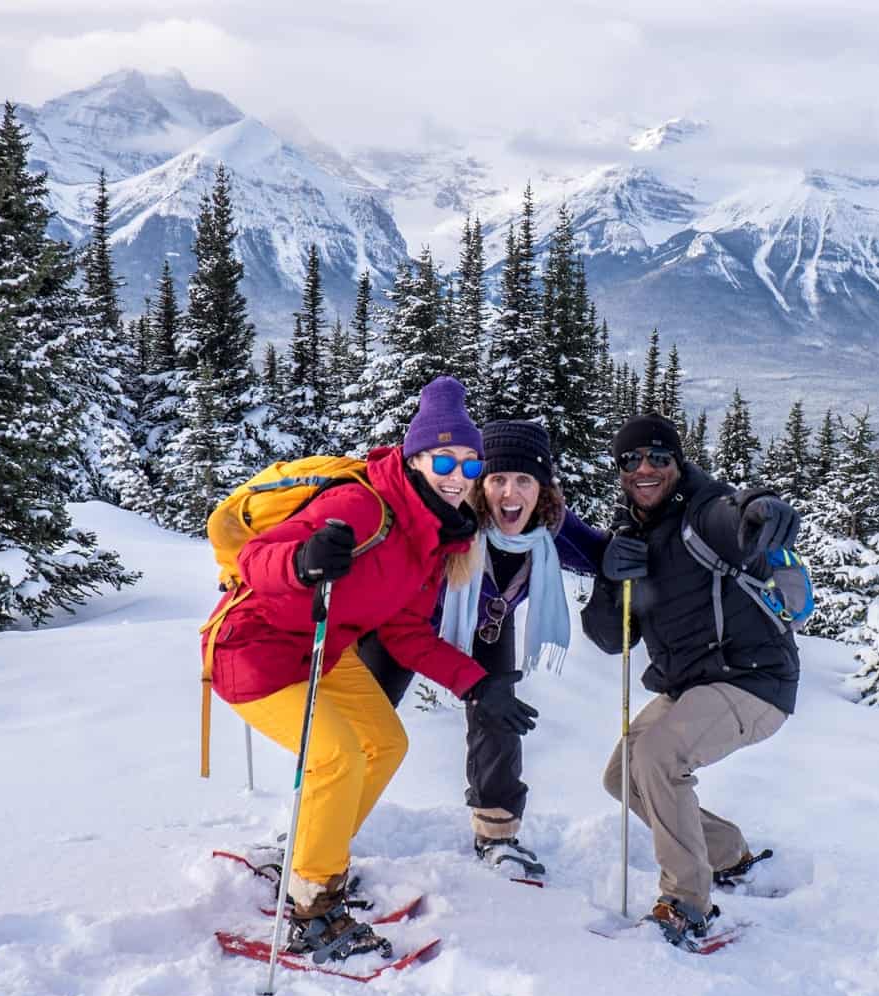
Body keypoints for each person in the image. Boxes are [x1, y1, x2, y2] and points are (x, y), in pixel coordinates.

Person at [203, 376, 540, 961]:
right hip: (253, 650)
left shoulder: (436, 536)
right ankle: (314, 905)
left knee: (384, 742)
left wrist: (478, 683)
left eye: (468, 464)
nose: (456, 476)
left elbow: (407, 633)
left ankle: (312, 853)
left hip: (322, 650)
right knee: (336, 754)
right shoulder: (362, 505)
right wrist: (302, 562)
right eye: (443, 459)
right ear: (414, 458)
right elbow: (256, 559)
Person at [580, 413, 802, 946]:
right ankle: (728, 853)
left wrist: (760, 509)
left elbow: (738, 517)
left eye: (659, 457)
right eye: (631, 461)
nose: (645, 469)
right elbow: (611, 639)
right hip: (693, 683)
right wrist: (612, 579)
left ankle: (687, 902)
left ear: (678, 463)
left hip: (755, 680)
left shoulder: (703, 513)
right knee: (623, 776)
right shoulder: (632, 533)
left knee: (659, 758)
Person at [358, 420, 609, 877]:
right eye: (496, 479)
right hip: (404, 625)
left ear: (542, 489)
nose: (509, 494)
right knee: (360, 725)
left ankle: (497, 832)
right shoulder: (451, 523)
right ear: (480, 483)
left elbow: (604, 556)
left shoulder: (551, 529)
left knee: (499, 715)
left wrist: (632, 551)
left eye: (523, 480)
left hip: (488, 630)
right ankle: (311, 823)